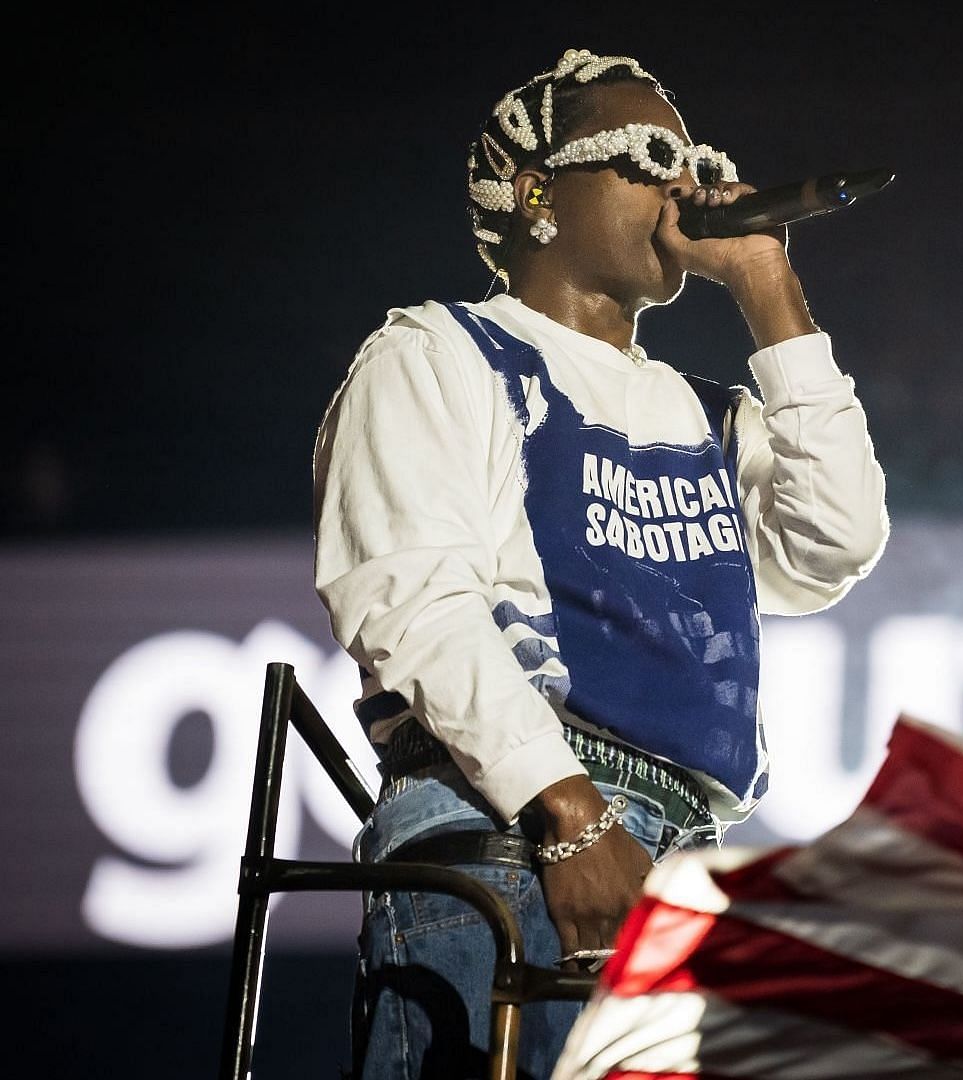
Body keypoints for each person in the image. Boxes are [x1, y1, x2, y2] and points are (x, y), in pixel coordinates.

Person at [311, 47, 889, 1079]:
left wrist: (768, 282)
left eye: (693, 154)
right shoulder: (438, 354)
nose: (684, 179)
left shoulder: (701, 413)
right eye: (647, 153)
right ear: (539, 193)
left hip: (678, 858)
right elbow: (414, 604)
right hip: (516, 835)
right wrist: (572, 817)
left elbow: (834, 539)